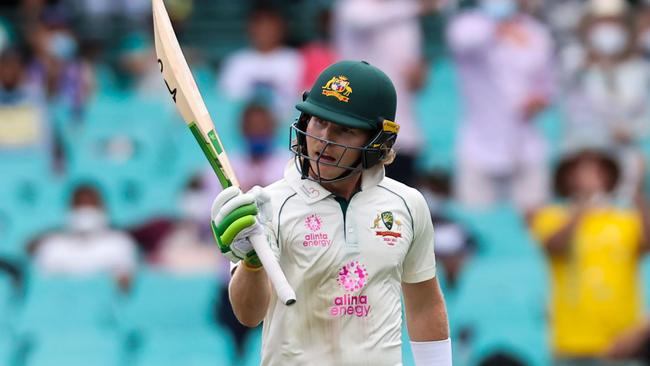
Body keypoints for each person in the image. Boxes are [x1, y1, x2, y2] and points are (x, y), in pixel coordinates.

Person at [211, 61, 451, 365]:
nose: (324, 141)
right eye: (319, 122)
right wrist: (253, 263)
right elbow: (248, 315)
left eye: (344, 130)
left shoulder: (407, 203)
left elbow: (424, 304)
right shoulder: (268, 205)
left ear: (377, 142)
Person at [530, 146, 650, 366]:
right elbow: (553, 245)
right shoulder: (552, 216)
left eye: (597, 170)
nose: (589, 176)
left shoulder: (625, 219)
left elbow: (647, 243)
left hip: (620, 343)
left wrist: (637, 191)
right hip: (570, 345)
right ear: (566, 177)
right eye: (580, 170)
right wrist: (584, 205)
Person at [447, 0, 554, 214]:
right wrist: (499, 24)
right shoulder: (466, 25)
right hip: (478, 148)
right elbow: (465, 41)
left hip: (526, 146)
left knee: (535, 226)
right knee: (477, 223)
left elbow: (547, 85)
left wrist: (539, 100)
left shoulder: (537, 32)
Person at [332, 0, 438, 186]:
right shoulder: (352, 8)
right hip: (358, 136)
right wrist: (418, 7)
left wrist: (418, 75)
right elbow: (363, 20)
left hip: (402, 137)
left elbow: (415, 79)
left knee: (397, 211)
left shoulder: (407, 18)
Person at [561, 0, 650, 205]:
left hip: (627, 161)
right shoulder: (574, 64)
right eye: (600, 22)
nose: (607, 29)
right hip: (588, 163)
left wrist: (631, 130)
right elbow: (570, 112)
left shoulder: (639, 70)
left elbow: (646, 115)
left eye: (614, 22)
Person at [32, 183, 137, 292]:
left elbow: (126, 284)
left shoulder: (120, 244)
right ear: (69, 208)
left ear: (103, 207)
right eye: (79, 204)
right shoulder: (52, 246)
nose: (85, 210)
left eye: (91, 204)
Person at [217, 5, 302, 121]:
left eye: (270, 26)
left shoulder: (296, 60)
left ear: (282, 28)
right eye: (259, 25)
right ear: (250, 28)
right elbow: (227, 104)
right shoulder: (236, 62)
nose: (264, 31)